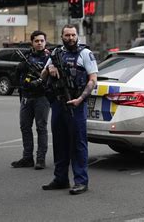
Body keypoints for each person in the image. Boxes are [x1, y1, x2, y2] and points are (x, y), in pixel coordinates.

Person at [41, 25, 98, 195]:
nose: (71, 38)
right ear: (62, 36)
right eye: (67, 35)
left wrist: (80, 99)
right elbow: (42, 76)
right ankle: (61, 179)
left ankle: (81, 181)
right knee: (59, 142)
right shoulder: (55, 53)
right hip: (58, 104)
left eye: (73, 35)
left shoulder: (85, 54)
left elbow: (93, 79)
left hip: (76, 104)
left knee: (78, 144)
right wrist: (48, 68)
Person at [11, 30, 50, 170]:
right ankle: (27, 158)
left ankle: (40, 159)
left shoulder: (49, 58)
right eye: (36, 41)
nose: (39, 43)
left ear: (45, 42)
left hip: (42, 97)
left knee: (41, 128)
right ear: (32, 43)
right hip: (27, 97)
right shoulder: (27, 57)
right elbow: (17, 78)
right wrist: (21, 70)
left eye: (42, 41)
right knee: (25, 127)